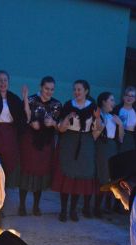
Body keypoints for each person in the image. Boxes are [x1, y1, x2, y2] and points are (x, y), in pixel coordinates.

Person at [52, 79, 98, 222]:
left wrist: (97, 119)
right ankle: (63, 210)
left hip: (85, 142)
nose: (76, 92)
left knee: (79, 178)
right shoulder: (68, 105)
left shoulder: (92, 106)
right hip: (69, 141)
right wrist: (67, 117)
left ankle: (73, 210)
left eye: (79, 89)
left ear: (86, 91)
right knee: (67, 176)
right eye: (75, 89)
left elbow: (97, 128)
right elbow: (61, 128)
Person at [18, 76, 61, 216]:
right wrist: (31, 123)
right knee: (26, 172)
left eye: (52, 89)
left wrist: (53, 124)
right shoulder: (30, 100)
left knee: (41, 174)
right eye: (46, 88)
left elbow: (60, 126)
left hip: (46, 143)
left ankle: (36, 206)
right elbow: (21, 118)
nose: (49, 92)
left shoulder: (56, 104)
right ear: (41, 87)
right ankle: (22, 205)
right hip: (29, 141)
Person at [93, 92, 124, 217]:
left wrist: (120, 124)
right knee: (102, 176)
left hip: (112, 147)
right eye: (111, 100)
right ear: (104, 102)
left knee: (111, 177)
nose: (114, 103)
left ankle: (107, 206)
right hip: (102, 147)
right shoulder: (98, 115)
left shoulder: (114, 117)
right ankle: (96, 207)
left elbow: (120, 138)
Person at [116, 86, 136, 152]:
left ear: (135, 98)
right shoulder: (117, 109)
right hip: (117, 137)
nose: (129, 98)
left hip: (132, 138)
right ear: (123, 97)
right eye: (127, 95)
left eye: (132, 96)